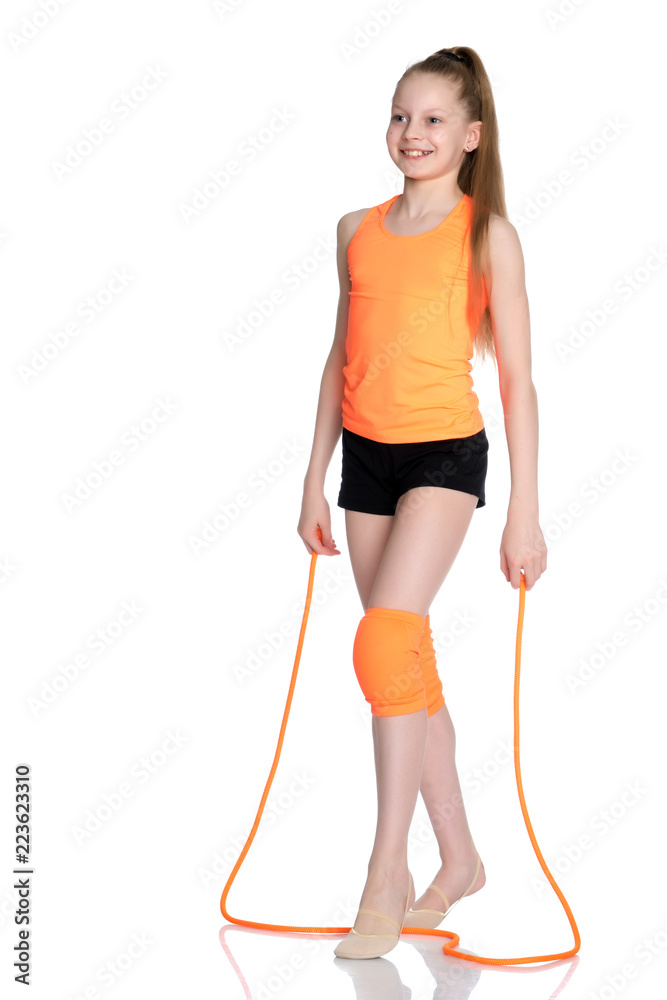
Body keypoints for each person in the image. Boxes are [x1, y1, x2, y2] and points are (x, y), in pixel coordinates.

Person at [297, 45, 547, 960]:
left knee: (383, 640)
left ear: (471, 136)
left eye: (434, 119)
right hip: (363, 463)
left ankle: (384, 873)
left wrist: (523, 511)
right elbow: (339, 357)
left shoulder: (488, 235)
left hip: (445, 454)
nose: (412, 133)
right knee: (401, 666)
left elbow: (517, 380)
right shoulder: (354, 228)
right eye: (401, 116)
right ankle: (461, 861)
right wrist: (312, 478)